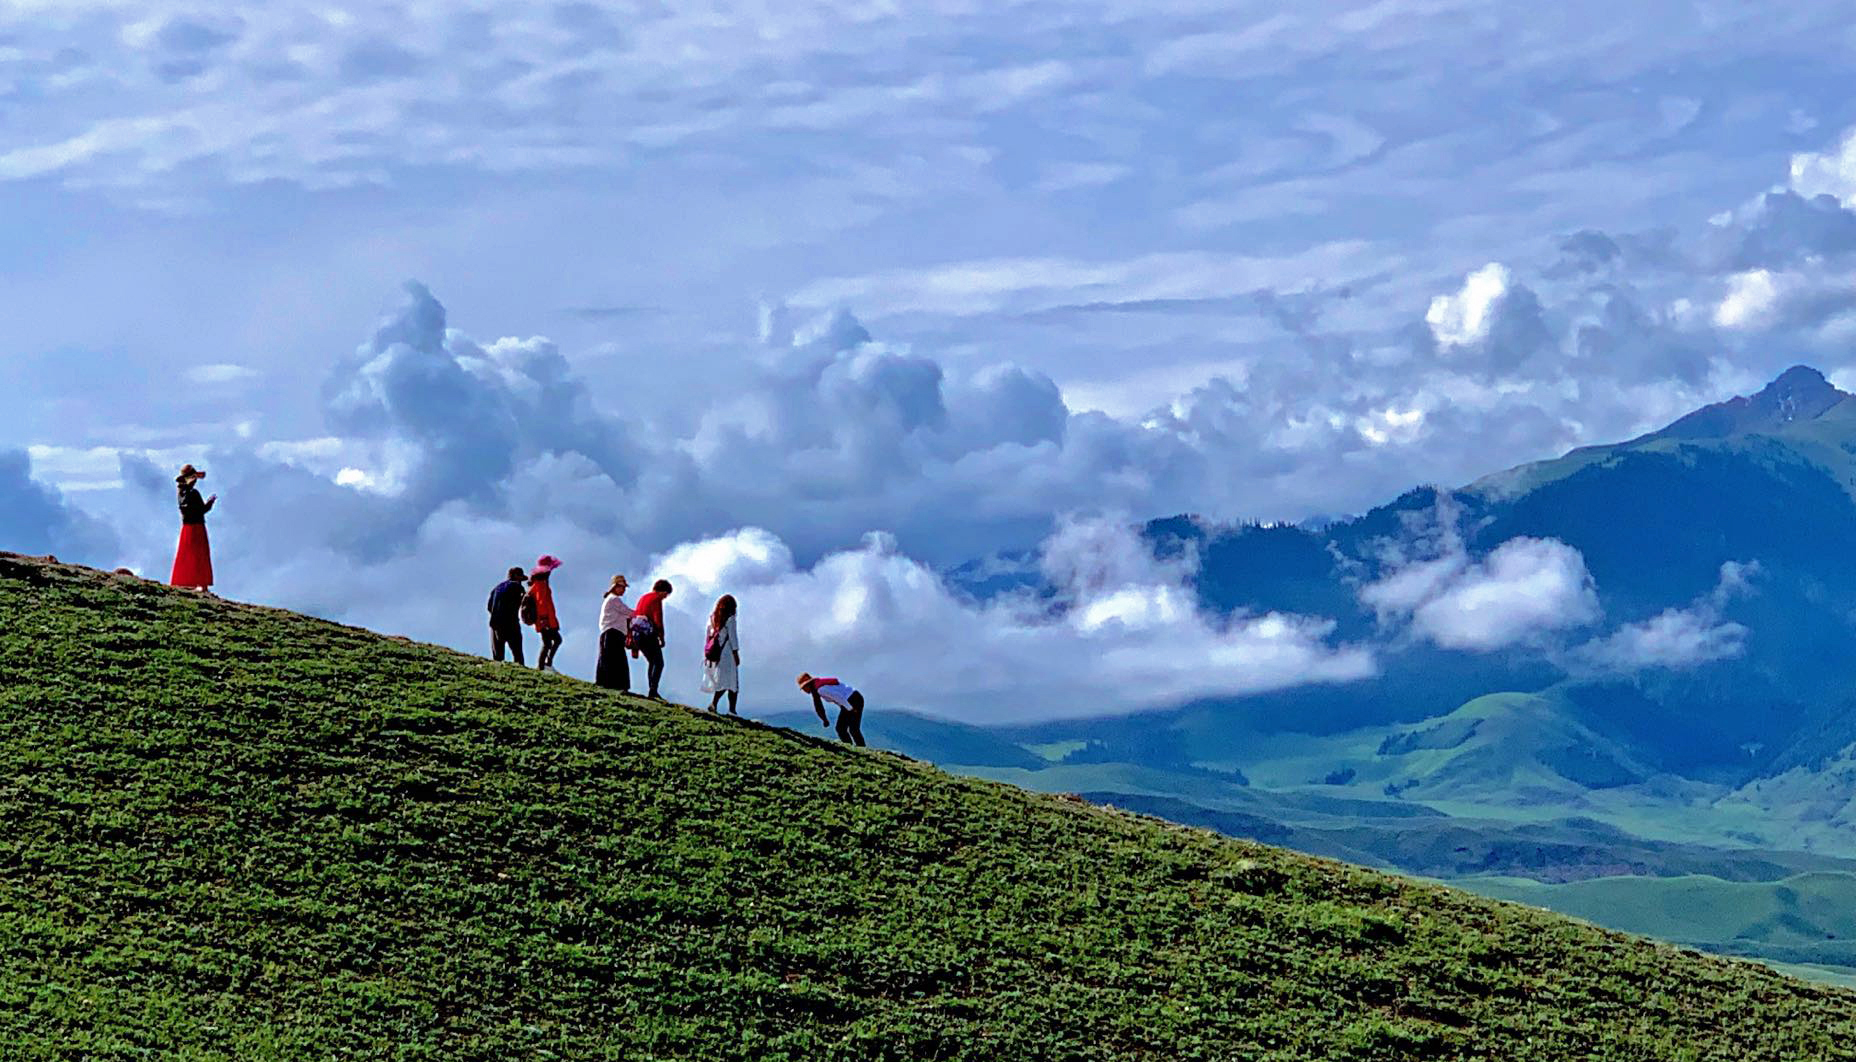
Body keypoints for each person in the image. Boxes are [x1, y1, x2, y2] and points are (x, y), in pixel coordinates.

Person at [169, 464, 217, 591]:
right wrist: (210, 503)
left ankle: (184, 581)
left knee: (186, 554)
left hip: (186, 527)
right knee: (200, 554)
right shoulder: (194, 493)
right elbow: (202, 510)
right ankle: (201, 584)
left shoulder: (180, 494)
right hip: (198, 526)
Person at [628, 579, 673, 700]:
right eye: (666, 594)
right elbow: (658, 619)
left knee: (652, 662)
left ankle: (652, 689)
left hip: (637, 634)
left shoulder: (643, 597)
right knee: (658, 663)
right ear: (662, 591)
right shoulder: (656, 599)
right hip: (648, 634)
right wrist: (661, 637)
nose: (665, 597)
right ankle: (653, 690)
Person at [797, 672, 866, 747]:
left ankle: (858, 748)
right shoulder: (817, 688)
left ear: (808, 685)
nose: (804, 690)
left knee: (852, 728)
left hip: (853, 700)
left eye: (804, 688)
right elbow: (821, 705)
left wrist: (850, 709)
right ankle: (851, 747)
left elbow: (838, 697)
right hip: (849, 701)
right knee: (842, 728)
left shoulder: (821, 689)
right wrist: (824, 719)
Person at [700, 594, 741, 714]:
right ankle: (732, 710)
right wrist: (736, 655)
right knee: (733, 683)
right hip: (727, 653)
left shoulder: (712, 618)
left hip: (716, 653)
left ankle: (714, 704)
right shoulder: (730, 619)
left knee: (722, 681)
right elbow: (733, 638)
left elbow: (708, 635)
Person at [596, 574, 633, 691]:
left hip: (610, 632)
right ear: (616, 587)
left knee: (608, 658)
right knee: (616, 659)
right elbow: (628, 612)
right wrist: (641, 614)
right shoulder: (614, 599)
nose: (624, 590)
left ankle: (607, 683)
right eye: (622, 587)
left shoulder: (611, 599)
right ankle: (616, 684)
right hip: (613, 632)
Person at [527, 554, 564, 671]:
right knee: (551, 642)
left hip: (545, 619)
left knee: (550, 642)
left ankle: (544, 664)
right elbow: (542, 603)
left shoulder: (536, 584)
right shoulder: (541, 585)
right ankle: (543, 666)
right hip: (545, 620)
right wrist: (546, 621)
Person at [486, 566, 528, 664]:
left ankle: (497, 675)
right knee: (517, 654)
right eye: (521, 578)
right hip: (511, 623)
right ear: (516, 576)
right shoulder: (518, 587)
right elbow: (523, 604)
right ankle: (521, 674)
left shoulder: (496, 588)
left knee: (498, 657)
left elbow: (489, 607)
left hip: (495, 624)